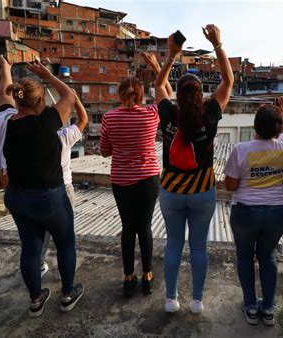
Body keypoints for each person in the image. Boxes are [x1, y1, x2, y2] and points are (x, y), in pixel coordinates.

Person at [154, 24, 234, 314]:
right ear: (201, 95)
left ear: (178, 94)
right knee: (199, 248)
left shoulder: (167, 113)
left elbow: (158, 86)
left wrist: (171, 55)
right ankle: (197, 300)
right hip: (202, 191)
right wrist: (218, 44)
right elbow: (228, 80)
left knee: (174, 245)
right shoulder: (210, 114)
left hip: (172, 192)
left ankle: (170, 300)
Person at [0, 57, 84, 317]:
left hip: (16, 196)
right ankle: (67, 295)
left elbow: (5, 92)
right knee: (66, 244)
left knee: (31, 248)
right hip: (48, 197)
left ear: (17, 101)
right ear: (39, 102)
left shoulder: (5, 121)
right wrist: (47, 75)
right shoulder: (46, 121)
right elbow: (69, 95)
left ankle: (36, 300)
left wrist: (5, 67)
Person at [99, 52, 172, 298]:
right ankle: (148, 276)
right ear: (141, 95)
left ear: (120, 95)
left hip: (121, 180)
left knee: (128, 228)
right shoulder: (152, 115)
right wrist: (155, 66)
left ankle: (128, 278)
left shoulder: (109, 118)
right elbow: (166, 94)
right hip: (149, 179)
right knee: (145, 227)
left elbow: (105, 151)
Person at [224, 97, 283, 325]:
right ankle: (268, 309)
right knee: (268, 256)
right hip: (277, 212)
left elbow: (231, 185)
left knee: (245, 257)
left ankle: (251, 307)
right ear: (278, 128)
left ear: (255, 127)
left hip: (245, 212)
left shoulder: (241, 149)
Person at [40, 93, 88, 277]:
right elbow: (84, 119)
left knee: (42, 230)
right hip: (63, 189)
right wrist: (74, 99)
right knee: (64, 233)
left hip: (39, 190)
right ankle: (63, 270)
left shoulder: (32, 137)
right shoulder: (64, 136)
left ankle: (38, 264)